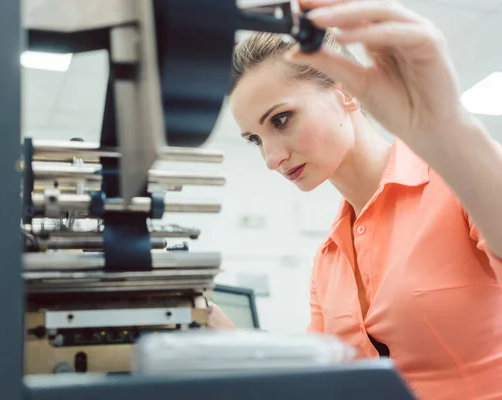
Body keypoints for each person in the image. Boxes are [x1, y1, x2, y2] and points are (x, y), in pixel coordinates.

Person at [210, 1, 502, 399]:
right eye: (255, 140)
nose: (271, 158)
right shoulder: (328, 261)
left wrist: (449, 129)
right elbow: (317, 383)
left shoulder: (461, 184)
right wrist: (209, 325)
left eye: (281, 120)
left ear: (344, 91)